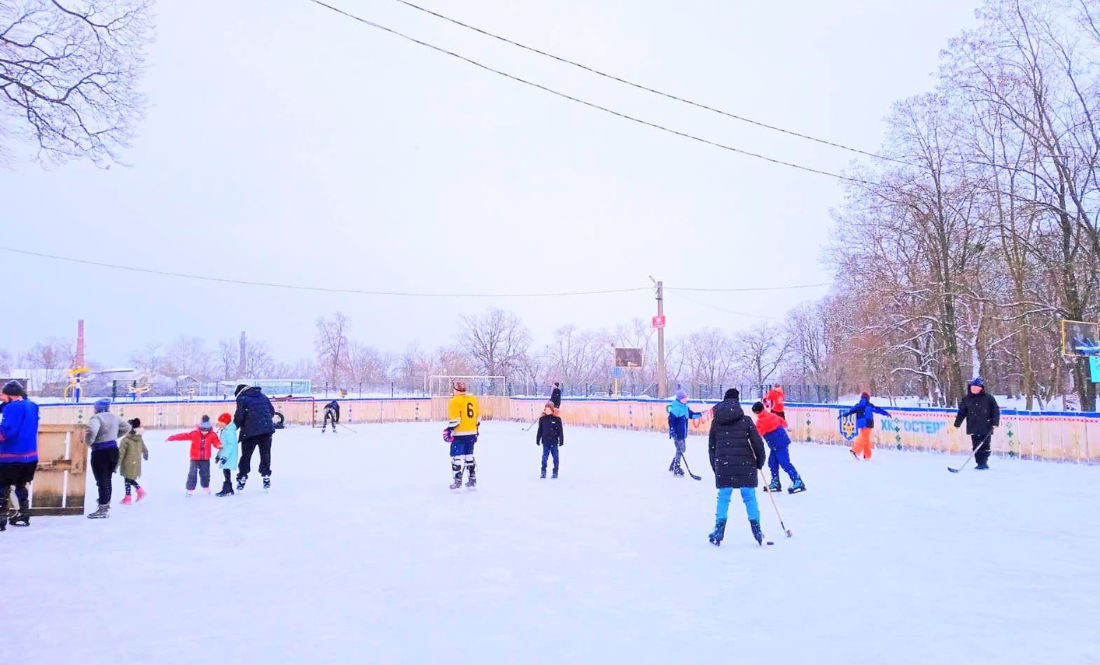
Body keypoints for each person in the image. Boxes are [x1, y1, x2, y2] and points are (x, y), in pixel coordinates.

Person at [707, 388, 768, 546]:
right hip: (746, 465)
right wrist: (759, 463)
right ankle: (757, 529)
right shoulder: (746, 420)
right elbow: (758, 444)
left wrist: (717, 468)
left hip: (724, 466)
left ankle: (719, 529)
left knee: (724, 497)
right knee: (749, 497)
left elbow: (711, 448)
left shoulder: (716, 421)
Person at [0, 380, 39, 530]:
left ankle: (1, 520)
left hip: (10, 457)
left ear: (9, 395)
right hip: (30, 457)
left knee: (2, 487)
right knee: (21, 486)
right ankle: (23, 515)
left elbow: (7, 431)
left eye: (3, 395)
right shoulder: (32, 406)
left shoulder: (12, 408)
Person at [86, 398, 132, 519]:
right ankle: (105, 504)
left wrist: (89, 442)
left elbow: (92, 431)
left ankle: (103, 508)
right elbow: (127, 427)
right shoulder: (114, 417)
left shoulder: (96, 418)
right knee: (107, 479)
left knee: (101, 480)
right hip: (113, 451)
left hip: (100, 452)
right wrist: (115, 436)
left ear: (98, 408)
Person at [751, 402, 804, 493]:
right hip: (779, 443)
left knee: (784, 462)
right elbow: (784, 423)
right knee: (772, 462)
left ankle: (797, 480)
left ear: (756, 412)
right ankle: (775, 482)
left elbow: (756, 435)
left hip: (778, 444)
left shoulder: (760, 422)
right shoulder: (772, 415)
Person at [234, 383, 276, 492]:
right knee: (265, 454)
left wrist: (232, 429)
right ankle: (266, 474)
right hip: (266, 431)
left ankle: (242, 476)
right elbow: (271, 411)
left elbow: (239, 416)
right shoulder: (263, 396)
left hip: (250, 432)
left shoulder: (242, 399)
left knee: (246, 456)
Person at [167, 415, 223, 496]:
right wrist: (172, 438)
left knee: (205, 474)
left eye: (206, 430)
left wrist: (219, 445)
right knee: (192, 474)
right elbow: (183, 436)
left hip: (205, 459)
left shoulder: (212, 435)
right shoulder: (195, 434)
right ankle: (190, 489)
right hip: (194, 458)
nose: (204, 432)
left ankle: (205, 486)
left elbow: (216, 442)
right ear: (199, 428)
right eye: (203, 430)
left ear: (209, 429)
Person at [953, 377, 1000, 470]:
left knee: (985, 445)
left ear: (981, 388)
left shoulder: (988, 398)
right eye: (972, 387)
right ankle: (979, 462)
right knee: (976, 445)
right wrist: (957, 424)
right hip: (973, 426)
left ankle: (983, 462)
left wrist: (995, 422)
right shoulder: (967, 399)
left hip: (986, 425)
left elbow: (995, 410)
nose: (973, 388)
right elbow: (962, 412)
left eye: (976, 387)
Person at [445, 381, 480, 491]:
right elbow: (478, 418)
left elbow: (455, 420)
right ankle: (472, 480)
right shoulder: (473, 399)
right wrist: (476, 430)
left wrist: (448, 429)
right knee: (469, 456)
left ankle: (457, 481)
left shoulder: (454, 401)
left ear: (455, 389)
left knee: (456, 457)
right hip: (472, 432)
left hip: (460, 433)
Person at [838, 392, 892, 461]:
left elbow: (851, 411)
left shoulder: (858, 405)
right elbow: (878, 410)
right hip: (868, 423)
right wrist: (886, 413)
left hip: (861, 423)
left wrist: (844, 415)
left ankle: (867, 455)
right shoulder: (869, 405)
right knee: (864, 438)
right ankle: (854, 451)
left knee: (866, 439)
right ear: (868, 398)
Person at [666, 389, 702, 477]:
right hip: (677, 433)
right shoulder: (676, 408)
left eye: (685, 398)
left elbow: (691, 415)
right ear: (679, 399)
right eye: (683, 398)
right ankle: (676, 467)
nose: (685, 399)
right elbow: (671, 421)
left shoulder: (685, 407)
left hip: (682, 433)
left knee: (682, 449)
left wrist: (701, 414)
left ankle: (673, 465)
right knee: (680, 450)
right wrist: (672, 432)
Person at [116, 418, 149, 505]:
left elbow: (120, 454)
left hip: (127, 462)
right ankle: (128, 497)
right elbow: (144, 447)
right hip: (136, 462)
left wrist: (117, 464)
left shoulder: (125, 440)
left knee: (128, 478)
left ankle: (139, 491)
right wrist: (146, 453)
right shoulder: (139, 438)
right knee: (128, 479)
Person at [535, 402, 564, 479]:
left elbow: (560, 431)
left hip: (554, 442)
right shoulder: (542, 419)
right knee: (544, 458)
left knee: (555, 458)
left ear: (552, 410)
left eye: (549, 409)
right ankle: (543, 471)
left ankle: (555, 472)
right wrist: (538, 439)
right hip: (545, 442)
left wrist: (561, 440)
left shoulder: (557, 419)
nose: (547, 411)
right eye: (546, 409)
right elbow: (540, 430)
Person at [213, 413, 240, 496]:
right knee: (226, 471)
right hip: (226, 454)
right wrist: (218, 455)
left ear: (226, 422)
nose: (220, 424)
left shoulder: (229, 431)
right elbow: (223, 445)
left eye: (222, 422)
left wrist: (225, 456)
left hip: (229, 455)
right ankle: (230, 489)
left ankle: (227, 489)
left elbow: (231, 445)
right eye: (219, 422)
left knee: (226, 471)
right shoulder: (225, 430)